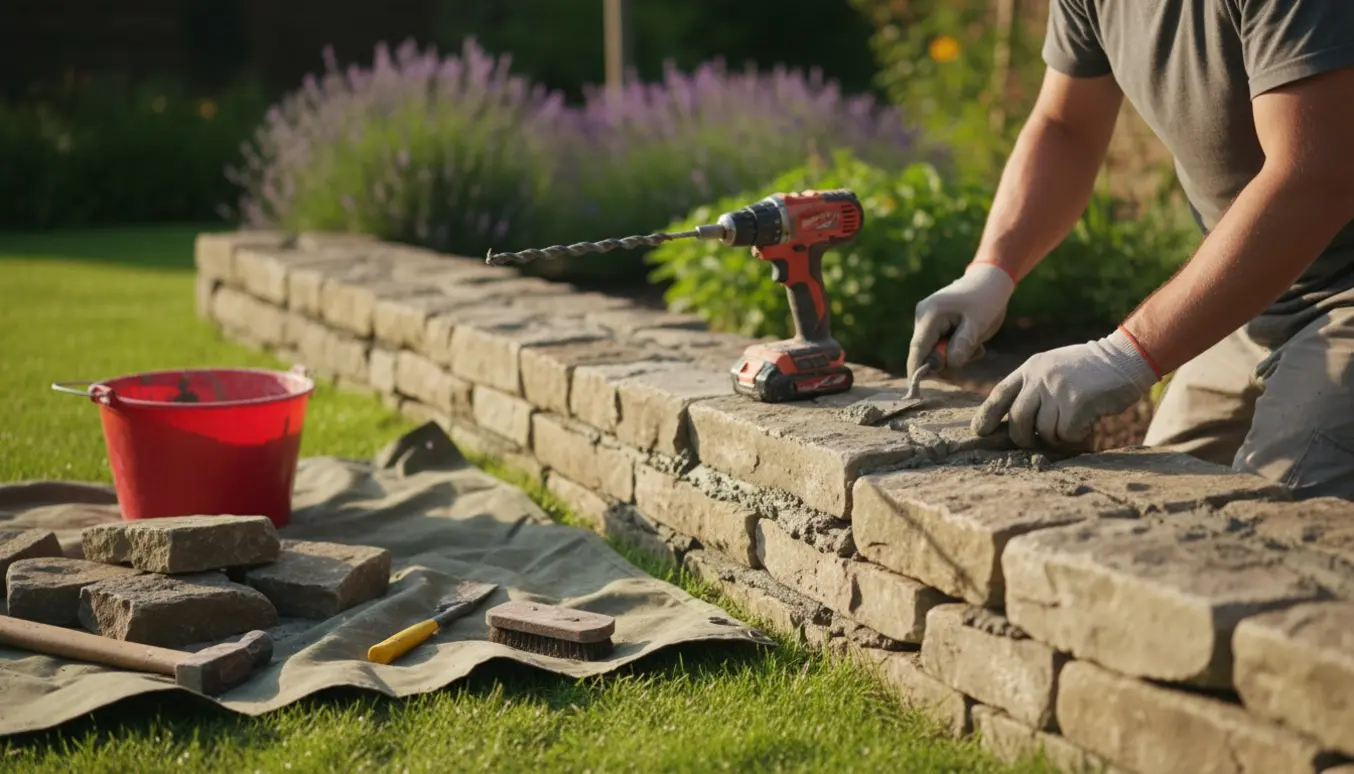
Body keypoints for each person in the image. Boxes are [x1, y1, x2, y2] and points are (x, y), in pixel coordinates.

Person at [908, 1, 1354, 500]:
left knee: (1278, 532)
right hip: (1254, 296)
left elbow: (1315, 175)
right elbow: (1066, 128)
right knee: (1151, 511)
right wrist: (991, 270)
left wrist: (1125, 354)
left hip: (1345, 293)